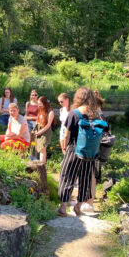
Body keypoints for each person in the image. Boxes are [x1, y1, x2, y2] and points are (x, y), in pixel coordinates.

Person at [57, 87, 101, 217]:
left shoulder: (74, 113)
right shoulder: (96, 114)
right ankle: (78, 206)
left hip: (74, 150)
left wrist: (64, 147)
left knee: (66, 176)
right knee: (85, 179)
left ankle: (63, 208)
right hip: (90, 153)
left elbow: (66, 135)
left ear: (78, 97)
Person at [31, 96, 56, 164]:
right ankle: (36, 163)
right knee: (36, 147)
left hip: (46, 131)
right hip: (38, 129)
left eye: (40, 104)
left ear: (44, 103)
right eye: (38, 103)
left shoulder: (51, 112)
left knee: (42, 149)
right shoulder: (40, 109)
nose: (38, 105)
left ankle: (42, 165)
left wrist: (40, 132)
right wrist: (36, 130)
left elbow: (48, 125)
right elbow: (37, 120)